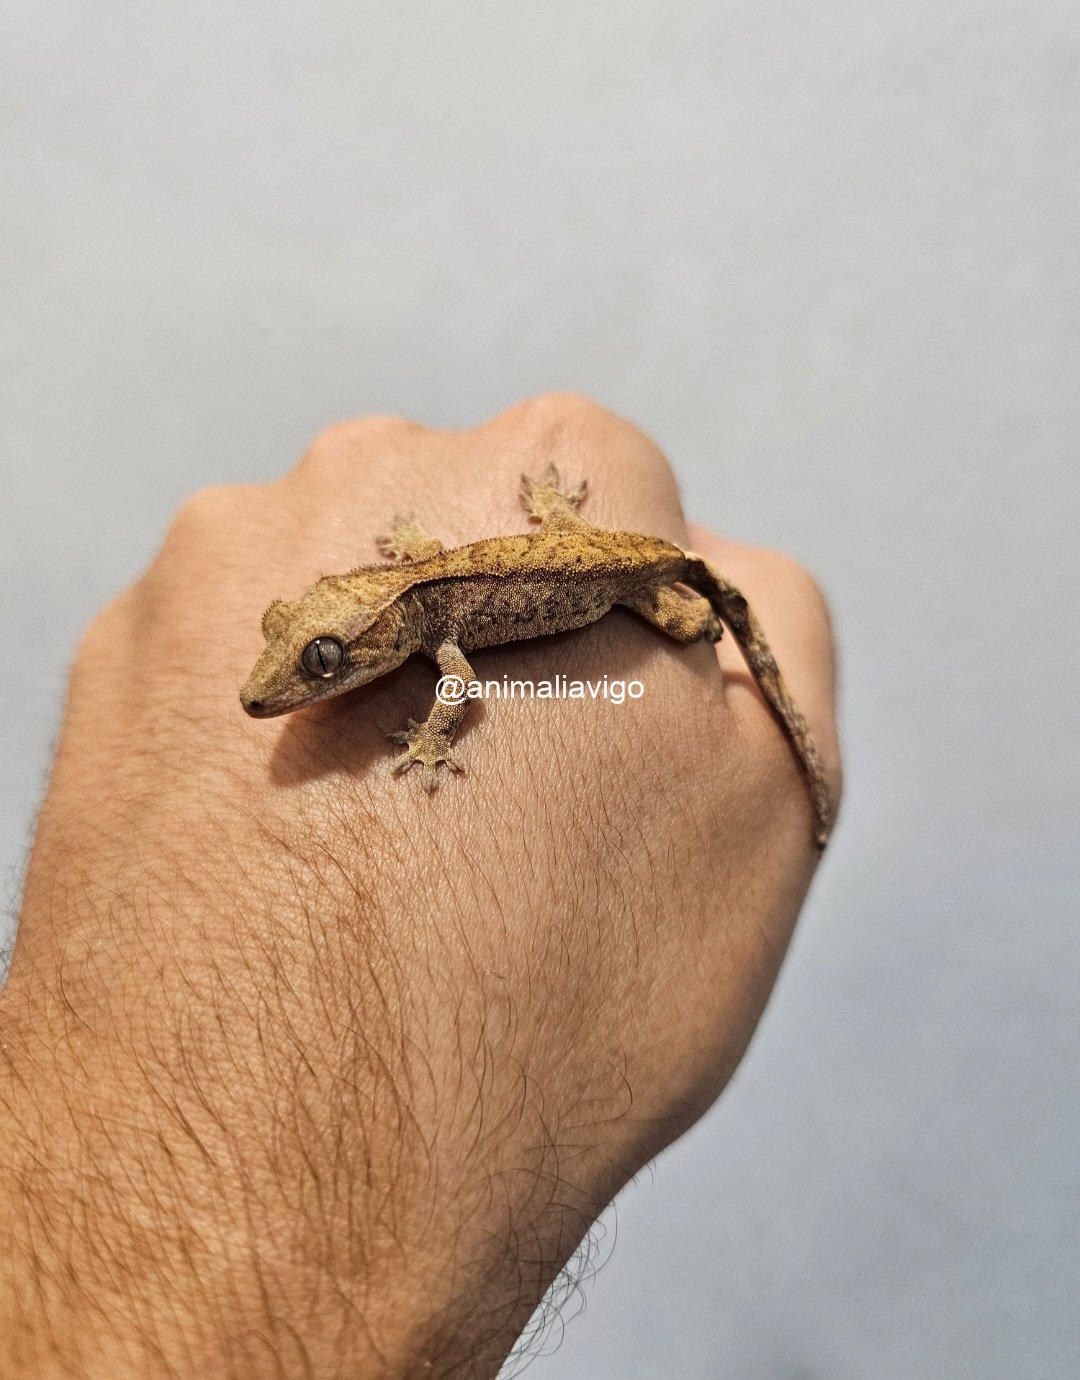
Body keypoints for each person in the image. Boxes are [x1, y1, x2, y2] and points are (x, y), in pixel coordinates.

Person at [0, 393, 841, 1376]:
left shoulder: (438, 627)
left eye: (320, 662)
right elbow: (426, 585)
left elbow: (464, 690)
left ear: (377, 629)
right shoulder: (416, 601)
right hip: (560, 548)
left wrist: (436, 738)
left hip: (617, 581)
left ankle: (710, 646)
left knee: (686, 610)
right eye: (298, 642)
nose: (274, 691)